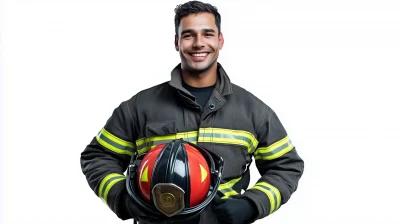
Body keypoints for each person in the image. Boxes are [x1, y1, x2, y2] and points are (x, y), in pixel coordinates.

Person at [80, 1, 304, 224]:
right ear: (177, 43)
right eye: (188, 35)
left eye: (207, 34)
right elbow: (98, 156)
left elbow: (286, 166)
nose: (199, 43)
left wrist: (252, 205)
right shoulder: (139, 107)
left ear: (220, 40)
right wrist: (123, 198)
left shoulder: (254, 111)